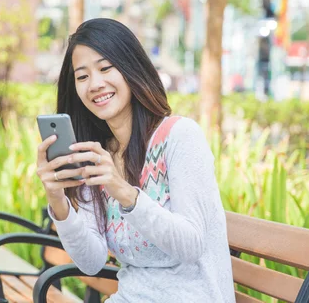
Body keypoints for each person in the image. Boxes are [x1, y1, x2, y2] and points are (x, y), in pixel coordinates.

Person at [36, 18, 235, 302]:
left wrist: (125, 194)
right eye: (82, 77)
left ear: (131, 68)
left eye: (105, 68)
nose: (95, 84)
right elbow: (91, 262)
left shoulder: (179, 136)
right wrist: (58, 201)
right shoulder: (97, 156)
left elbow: (191, 245)